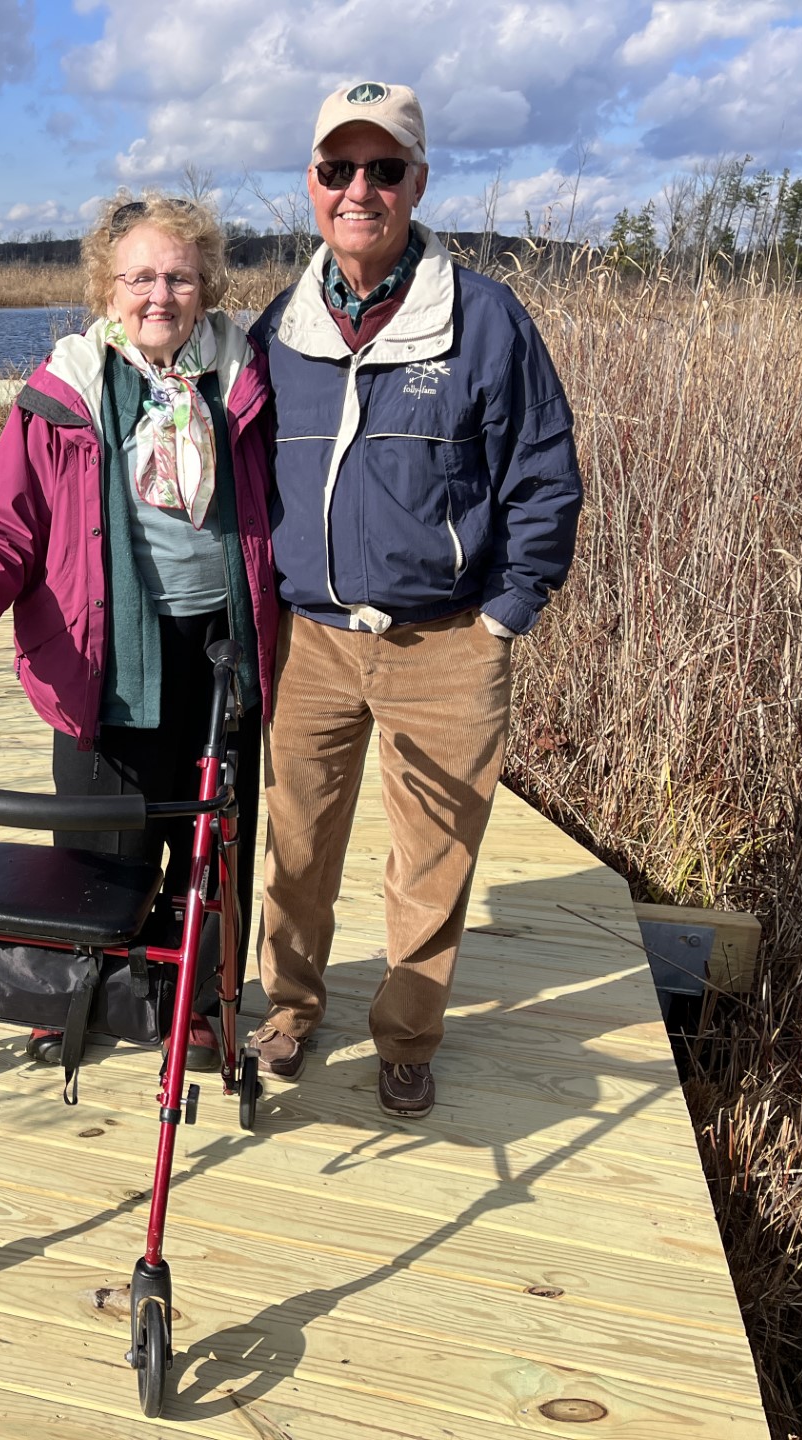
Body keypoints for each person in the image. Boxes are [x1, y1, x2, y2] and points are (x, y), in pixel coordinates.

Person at [247, 81, 582, 1116]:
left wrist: (507, 612)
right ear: (311, 185)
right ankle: (291, 1006)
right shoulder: (277, 327)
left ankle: (406, 1034)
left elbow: (545, 471)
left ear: (417, 184)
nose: (360, 189)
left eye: (383, 170)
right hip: (309, 639)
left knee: (431, 857)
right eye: (339, 169)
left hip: (444, 642)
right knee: (293, 845)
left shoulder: (483, 318)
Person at [0, 193, 279, 1071]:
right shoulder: (66, 393)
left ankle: (199, 998)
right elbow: (4, 524)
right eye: (142, 277)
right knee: (98, 855)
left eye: (181, 277)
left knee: (212, 846)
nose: (161, 295)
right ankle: (76, 990)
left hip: (219, 657)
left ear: (207, 286)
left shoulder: (245, 381)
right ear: (107, 285)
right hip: (102, 662)